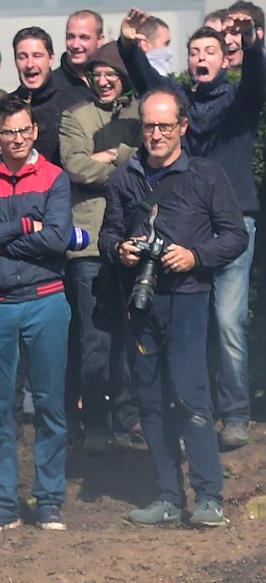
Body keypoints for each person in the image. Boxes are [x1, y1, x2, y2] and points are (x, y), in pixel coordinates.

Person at [101, 89, 247, 528]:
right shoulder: (125, 178)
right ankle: (167, 495)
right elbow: (107, 234)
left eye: (165, 126)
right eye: (149, 126)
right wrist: (121, 250)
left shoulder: (206, 174)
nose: (157, 134)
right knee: (148, 399)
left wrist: (195, 257)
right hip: (140, 301)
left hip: (187, 297)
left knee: (189, 395)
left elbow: (235, 235)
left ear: (183, 126)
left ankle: (208, 498)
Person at [120, 8, 263, 450]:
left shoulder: (238, 102)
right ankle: (186, 414)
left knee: (228, 323)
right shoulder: (178, 103)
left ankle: (234, 414)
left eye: (210, 51)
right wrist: (129, 44)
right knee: (184, 325)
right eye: (195, 51)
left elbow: (256, 79)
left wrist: (253, 44)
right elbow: (147, 84)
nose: (201, 57)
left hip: (233, 222)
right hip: (185, 227)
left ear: (224, 59)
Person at [0, 95, 74, 536]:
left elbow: (58, 239)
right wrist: (24, 225)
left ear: (35, 131)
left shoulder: (55, 178)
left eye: (25, 129)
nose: (19, 138)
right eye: (9, 132)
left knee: (50, 405)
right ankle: (3, 502)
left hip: (46, 300)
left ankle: (49, 501)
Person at [59, 43, 142, 451]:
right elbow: (75, 166)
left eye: (112, 74)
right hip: (90, 244)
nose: (104, 81)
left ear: (124, 78)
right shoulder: (75, 116)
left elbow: (147, 156)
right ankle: (94, 422)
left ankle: (129, 417)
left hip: (133, 238)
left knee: (132, 337)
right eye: (97, 74)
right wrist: (126, 161)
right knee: (95, 341)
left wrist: (112, 155)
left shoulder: (141, 113)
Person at [12, 26, 81, 166]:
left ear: (51, 59)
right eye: (22, 57)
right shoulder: (3, 109)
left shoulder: (75, 104)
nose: (29, 64)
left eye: (37, 56)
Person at [56, 10, 106, 100]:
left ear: (99, 40)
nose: (75, 45)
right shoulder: (53, 85)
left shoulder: (111, 81)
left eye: (84, 37)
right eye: (71, 37)